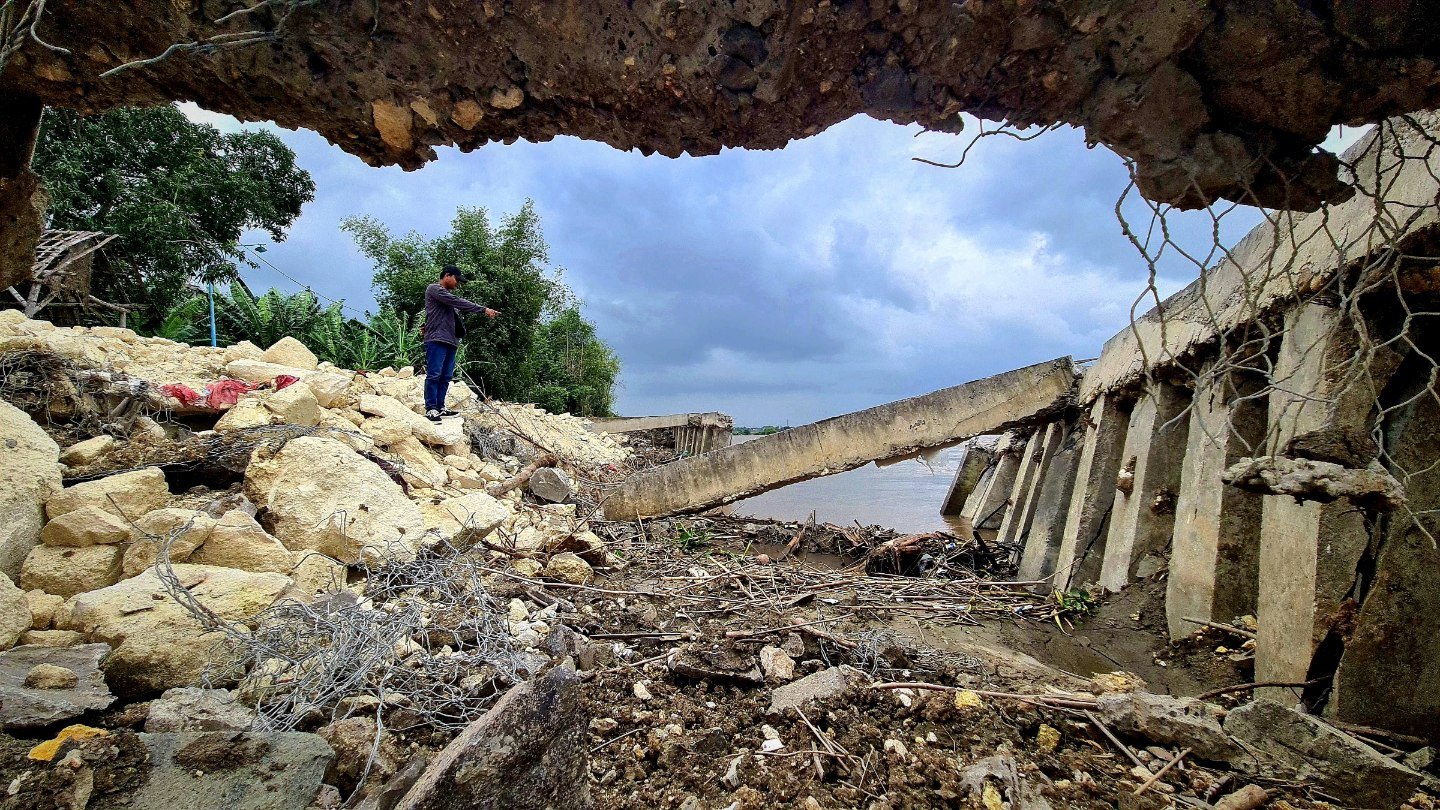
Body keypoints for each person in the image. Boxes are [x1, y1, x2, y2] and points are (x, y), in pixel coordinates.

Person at [421, 265, 498, 421]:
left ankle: (440, 407)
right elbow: (458, 301)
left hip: (451, 341)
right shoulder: (435, 289)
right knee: (434, 374)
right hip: (437, 339)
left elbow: (439, 316)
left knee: (446, 376)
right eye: (457, 279)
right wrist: (483, 309)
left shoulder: (446, 298)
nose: (458, 284)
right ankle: (431, 408)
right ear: (447, 275)